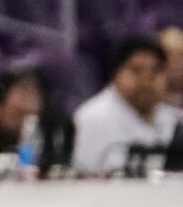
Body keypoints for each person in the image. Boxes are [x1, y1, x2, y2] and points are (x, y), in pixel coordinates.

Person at [71, 36, 180, 174]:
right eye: (136, 71)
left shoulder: (175, 119)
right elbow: (84, 180)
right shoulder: (93, 117)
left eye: (155, 72)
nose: (146, 81)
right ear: (115, 73)